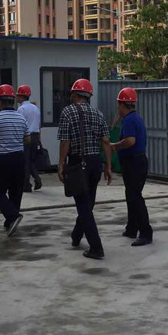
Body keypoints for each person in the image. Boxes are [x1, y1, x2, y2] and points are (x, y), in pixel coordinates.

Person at [57, 78, 112, 260]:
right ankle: (76, 236)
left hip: (78, 163)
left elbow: (65, 141)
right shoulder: (98, 114)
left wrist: (61, 164)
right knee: (88, 204)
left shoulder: (67, 112)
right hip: (95, 163)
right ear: (88, 96)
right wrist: (108, 166)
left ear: (75, 94)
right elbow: (106, 142)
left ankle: (96, 247)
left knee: (84, 207)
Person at [110, 88, 152, 247]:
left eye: (118, 105)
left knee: (135, 197)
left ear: (122, 104)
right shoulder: (136, 118)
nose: (118, 108)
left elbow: (130, 141)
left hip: (134, 163)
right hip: (137, 162)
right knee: (131, 195)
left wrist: (115, 146)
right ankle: (132, 228)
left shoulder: (128, 120)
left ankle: (146, 232)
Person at [0, 84, 29, 237]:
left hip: (2, 159)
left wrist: (0, 143)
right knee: (15, 191)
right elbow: (28, 139)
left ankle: (13, 216)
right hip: (19, 158)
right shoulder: (21, 117)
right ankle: (10, 221)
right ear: (12, 101)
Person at [16, 85, 42, 193]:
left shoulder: (21, 109)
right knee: (31, 160)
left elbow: (19, 125)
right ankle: (37, 179)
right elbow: (38, 125)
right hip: (35, 136)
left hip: (26, 137)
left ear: (22, 97)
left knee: (25, 161)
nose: (17, 97)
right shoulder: (35, 108)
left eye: (18, 95)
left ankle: (26, 185)